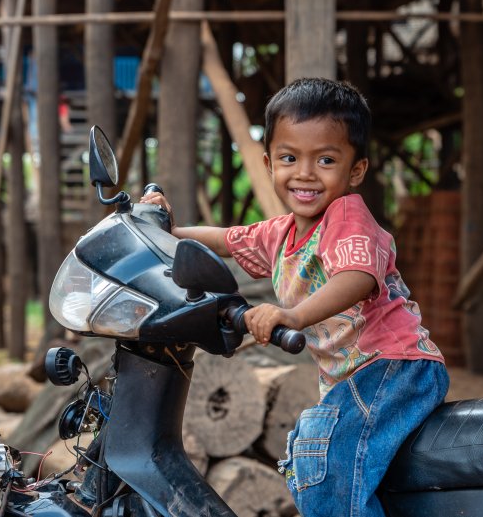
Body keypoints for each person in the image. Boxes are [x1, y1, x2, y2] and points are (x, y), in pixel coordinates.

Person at [142, 77, 448, 517]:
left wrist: (294, 315)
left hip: (394, 366)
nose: (304, 173)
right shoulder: (282, 233)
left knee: (325, 468)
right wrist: (161, 231)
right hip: (356, 377)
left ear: (355, 170)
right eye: (289, 158)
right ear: (269, 163)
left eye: (325, 159)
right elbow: (226, 239)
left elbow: (357, 276)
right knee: (314, 454)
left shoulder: (347, 216)